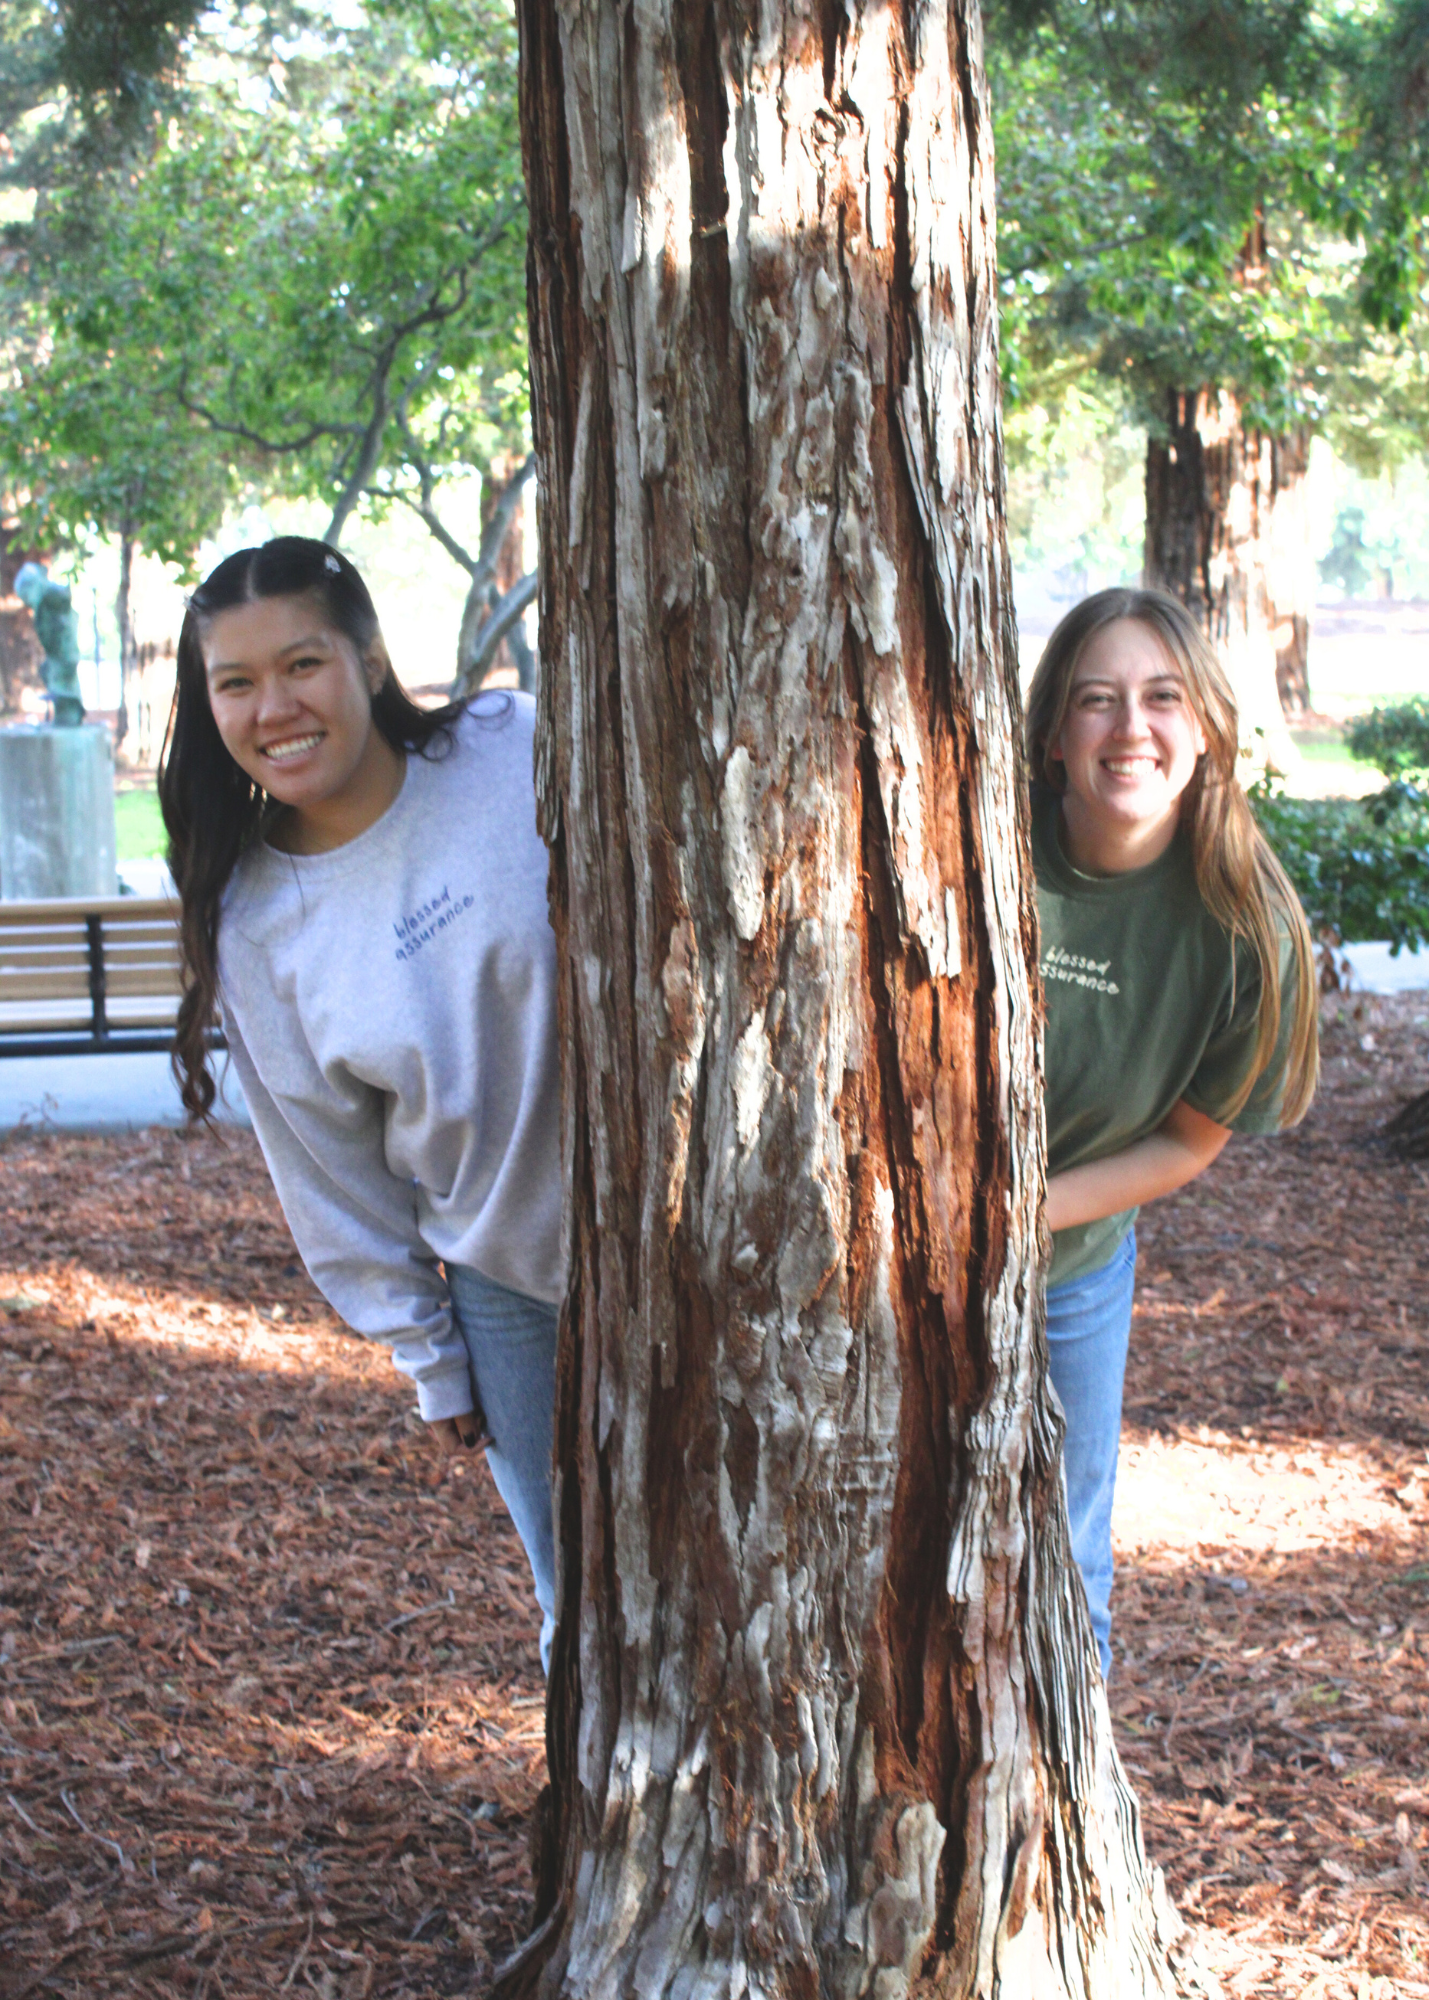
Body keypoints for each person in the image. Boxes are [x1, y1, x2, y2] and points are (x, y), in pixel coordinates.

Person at [159, 537, 561, 1668]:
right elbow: (329, 1168)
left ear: (370, 656)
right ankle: (609, 1832)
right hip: (512, 1288)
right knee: (583, 1607)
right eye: (234, 682)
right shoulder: (257, 922)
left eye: (301, 664)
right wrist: (430, 1354)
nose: (271, 706)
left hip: (700, 1237)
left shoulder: (508, 744)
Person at [1025, 586, 1319, 1675]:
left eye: (1160, 698)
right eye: (1096, 700)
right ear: (1054, 734)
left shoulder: (1245, 925)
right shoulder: (966, 840)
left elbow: (1192, 1141)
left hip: (1068, 1266)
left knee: (1061, 1557)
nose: (1129, 727)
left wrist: (1016, 1217)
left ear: (1204, 729)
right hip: (884, 1251)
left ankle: (1062, 1809)